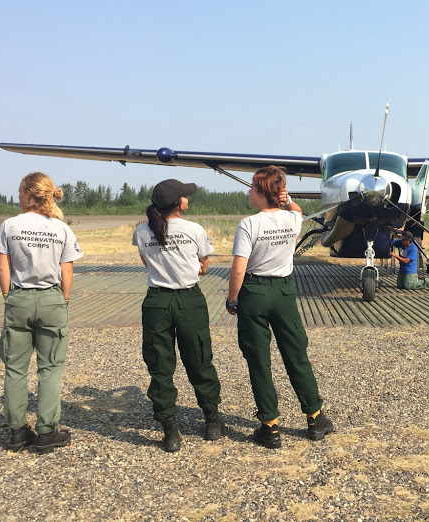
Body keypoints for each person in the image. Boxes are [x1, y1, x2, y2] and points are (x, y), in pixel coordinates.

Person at [226, 165, 334, 449]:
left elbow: (238, 269)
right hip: (284, 292)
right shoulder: (292, 220)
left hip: (255, 291)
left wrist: (232, 299)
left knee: (259, 360)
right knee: (296, 355)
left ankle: (270, 426)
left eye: (252, 187)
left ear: (262, 193)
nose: (249, 191)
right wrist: (286, 200)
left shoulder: (248, 225)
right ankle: (315, 417)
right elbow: (296, 210)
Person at [132, 179, 224, 452]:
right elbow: (204, 267)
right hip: (189, 300)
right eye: (185, 196)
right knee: (199, 358)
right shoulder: (194, 229)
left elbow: (146, 262)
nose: (188, 199)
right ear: (178, 204)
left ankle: (170, 430)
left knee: (159, 365)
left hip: (157, 301)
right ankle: (212, 421)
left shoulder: (141, 231)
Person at [0, 172, 83, 453]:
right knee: (50, 369)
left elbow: (2, 267)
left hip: (19, 298)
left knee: (15, 368)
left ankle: (17, 431)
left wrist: (9, 296)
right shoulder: (61, 229)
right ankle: (46, 431)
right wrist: (64, 300)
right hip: (51, 300)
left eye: (20, 191)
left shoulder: (9, 225)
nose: (18, 196)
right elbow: (67, 269)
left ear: (30, 194)